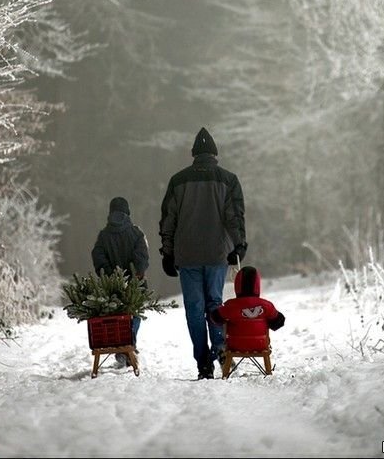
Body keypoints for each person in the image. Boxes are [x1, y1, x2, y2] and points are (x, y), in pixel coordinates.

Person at [159, 127, 247, 379]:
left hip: (187, 255)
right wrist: (239, 244)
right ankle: (220, 348)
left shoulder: (178, 181)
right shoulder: (228, 180)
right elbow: (234, 217)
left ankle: (203, 363)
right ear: (215, 154)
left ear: (194, 154)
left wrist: (167, 253)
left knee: (194, 309)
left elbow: (169, 219)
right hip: (217, 254)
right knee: (215, 304)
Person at [91, 196, 149, 366]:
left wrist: (110, 276)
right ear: (128, 212)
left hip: (111, 286)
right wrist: (136, 274)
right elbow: (142, 257)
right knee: (135, 313)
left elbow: (98, 257)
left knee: (115, 317)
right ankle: (129, 344)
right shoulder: (136, 233)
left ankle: (121, 346)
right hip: (135, 285)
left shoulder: (103, 236)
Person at [210, 265, 285, 352]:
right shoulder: (266, 305)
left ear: (237, 285)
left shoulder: (231, 305)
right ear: (257, 285)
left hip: (235, 345)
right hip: (260, 344)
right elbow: (279, 322)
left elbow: (215, 317)